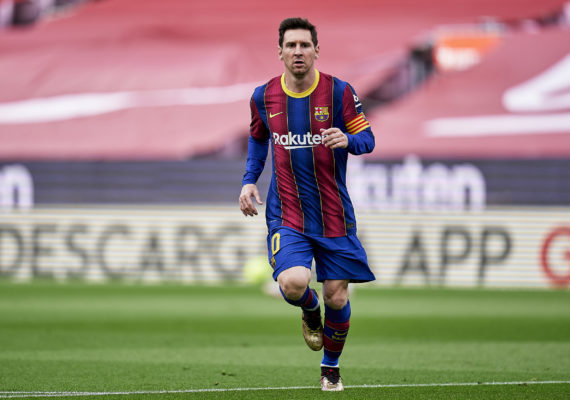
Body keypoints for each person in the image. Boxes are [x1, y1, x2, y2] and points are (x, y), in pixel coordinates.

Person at [238, 17, 375, 392]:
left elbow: (368, 139)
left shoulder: (339, 92)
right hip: (288, 213)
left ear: (316, 50)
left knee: (338, 295)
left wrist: (347, 139)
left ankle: (330, 368)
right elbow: (258, 139)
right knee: (294, 282)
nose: (298, 51)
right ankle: (310, 310)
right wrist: (249, 180)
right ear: (280, 52)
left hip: (334, 215)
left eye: (304, 45)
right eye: (291, 45)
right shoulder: (263, 96)